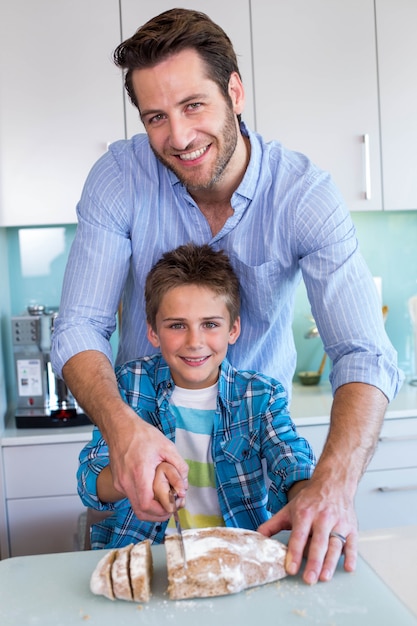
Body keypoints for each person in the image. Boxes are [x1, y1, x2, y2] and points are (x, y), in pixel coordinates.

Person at [51, 8, 403, 582]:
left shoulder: (303, 195)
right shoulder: (118, 178)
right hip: (142, 502)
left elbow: (363, 352)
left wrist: (331, 485)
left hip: (251, 507)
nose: (180, 137)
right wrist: (122, 431)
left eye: (194, 106)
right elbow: (79, 328)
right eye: (156, 117)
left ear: (235, 91)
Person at [77, 243, 316, 549]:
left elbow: (291, 460)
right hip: (148, 555)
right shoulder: (128, 386)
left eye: (210, 325)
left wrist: (307, 495)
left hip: (236, 556)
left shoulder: (261, 396)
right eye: (177, 325)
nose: (194, 342)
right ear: (152, 332)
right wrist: (136, 472)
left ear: (233, 329)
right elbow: (88, 481)